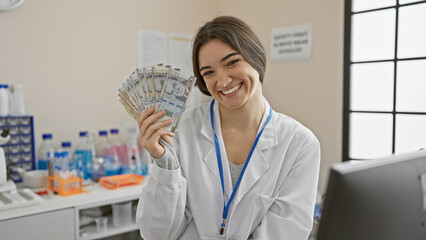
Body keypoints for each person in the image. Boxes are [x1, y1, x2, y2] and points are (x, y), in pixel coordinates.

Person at [136, 15, 320, 240]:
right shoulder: (182, 130)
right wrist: (165, 165)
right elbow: (157, 234)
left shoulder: (299, 143)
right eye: (209, 73)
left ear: (256, 58)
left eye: (232, 62)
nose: (222, 81)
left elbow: (285, 232)